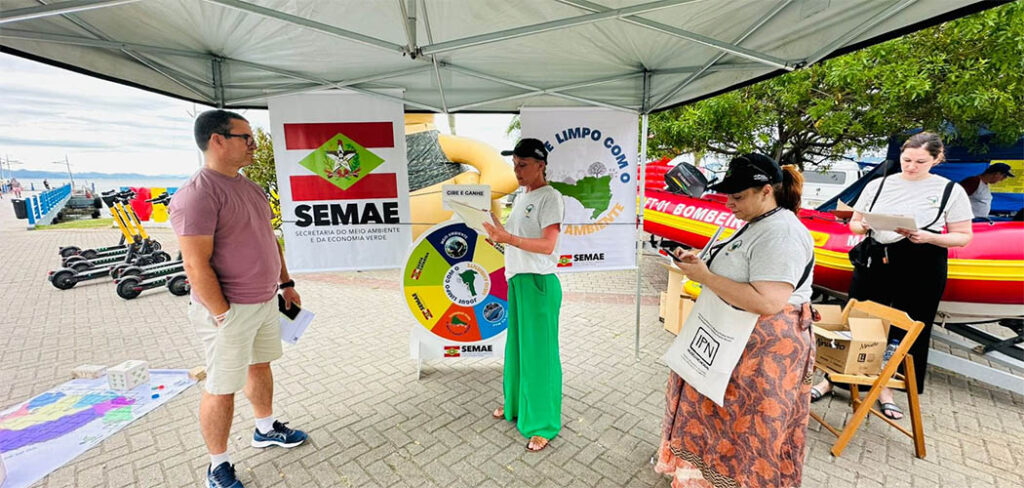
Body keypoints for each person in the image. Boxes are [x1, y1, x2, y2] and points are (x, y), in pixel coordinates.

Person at [654, 153, 815, 488]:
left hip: (762, 352)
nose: (729, 202)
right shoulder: (761, 221)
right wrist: (703, 266)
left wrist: (707, 278)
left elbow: (768, 301)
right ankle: (703, 477)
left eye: (738, 196)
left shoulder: (782, 233)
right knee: (722, 422)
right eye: (728, 194)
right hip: (736, 341)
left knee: (746, 431)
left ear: (766, 191)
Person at [169, 110, 307, 488]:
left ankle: (264, 429)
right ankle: (217, 465)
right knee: (221, 386)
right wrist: (223, 314)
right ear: (217, 140)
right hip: (228, 312)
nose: (253, 144)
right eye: (245, 137)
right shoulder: (196, 196)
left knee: (260, 365)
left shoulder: (249, 188)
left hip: (263, 302)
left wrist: (285, 283)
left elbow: (270, 239)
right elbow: (195, 266)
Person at [812, 132, 973, 420]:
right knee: (859, 319)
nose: (911, 166)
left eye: (920, 161)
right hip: (877, 256)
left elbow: (963, 237)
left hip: (923, 259)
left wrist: (928, 237)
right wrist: (862, 227)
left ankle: (886, 387)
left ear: (936, 159)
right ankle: (833, 378)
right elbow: (856, 223)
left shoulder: (951, 190)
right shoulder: (879, 183)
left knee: (906, 326)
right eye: (906, 160)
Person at [482, 138, 565, 453]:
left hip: (539, 284)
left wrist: (509, 238)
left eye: (523, 165)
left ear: (540, 165)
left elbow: (547, 246)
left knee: (540, 356)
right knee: (517, 349)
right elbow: (517, 241)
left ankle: (543, 424)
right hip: (517, 279)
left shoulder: (551, 197)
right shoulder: (522, 196)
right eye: (514, 164)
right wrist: (499, 239)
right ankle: (515, 405)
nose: (516, 170)